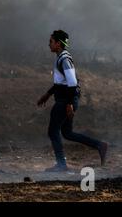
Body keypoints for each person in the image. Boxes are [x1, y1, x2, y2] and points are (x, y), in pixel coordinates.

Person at [37, 30, 108, 172]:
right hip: (66, 99)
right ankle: (99, 145)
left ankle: (61, 164)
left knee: (53, 131)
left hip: (65, 101)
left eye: (51, 41)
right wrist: (48, 94)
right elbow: (61, 83)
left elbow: (72, 83)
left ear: (58, 43)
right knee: (67, 133)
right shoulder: (61, 57)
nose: (48, 44)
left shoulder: (64, 60)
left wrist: (69, 104)